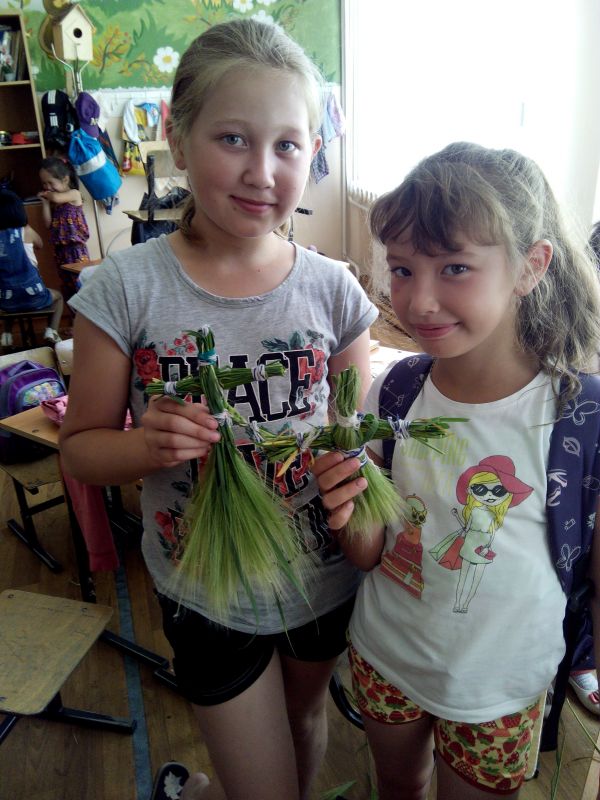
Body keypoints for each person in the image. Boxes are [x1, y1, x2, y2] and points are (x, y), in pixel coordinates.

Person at [59, 18, 377, 800]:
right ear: (178, 133)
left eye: (287, 145)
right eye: (233, 138)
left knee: (304, 726)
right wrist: (145, 446)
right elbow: (80, 448)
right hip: (206, 587)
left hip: (321, 581)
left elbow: (351, 440)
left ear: (313, 151)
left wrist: (354, 470)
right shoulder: (125, 289)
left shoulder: (336, 293)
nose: (262, 172)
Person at [313, 141, 600, 799]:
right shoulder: (397, 391)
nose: (419, 301)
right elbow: (367, 552)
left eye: (455, 268)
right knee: (398, 786)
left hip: (498, 689)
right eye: (403, 269)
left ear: (530, 267)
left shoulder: (578, 416)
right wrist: (345, 500)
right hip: (385, 653)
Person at [0, 188, 63, 346]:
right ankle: (52, 331)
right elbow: (40, 244)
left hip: (7, 300)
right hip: (35, 296)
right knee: (59, 297)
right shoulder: (26, 231)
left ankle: (6, 335)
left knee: (9, 296)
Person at [38, 156, 90, 302]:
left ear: (65, 179)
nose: (47, 187)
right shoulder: (55, 203)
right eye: (44, 183)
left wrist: (48, 195)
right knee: (69, 290)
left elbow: (55, 197)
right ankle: (75, 315)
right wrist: (45, 204)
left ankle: (88, 312)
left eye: (50, 182)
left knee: (82, 286)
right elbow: (48, 224)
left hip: (76, 250)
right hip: (60, 252)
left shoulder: (74, 194)